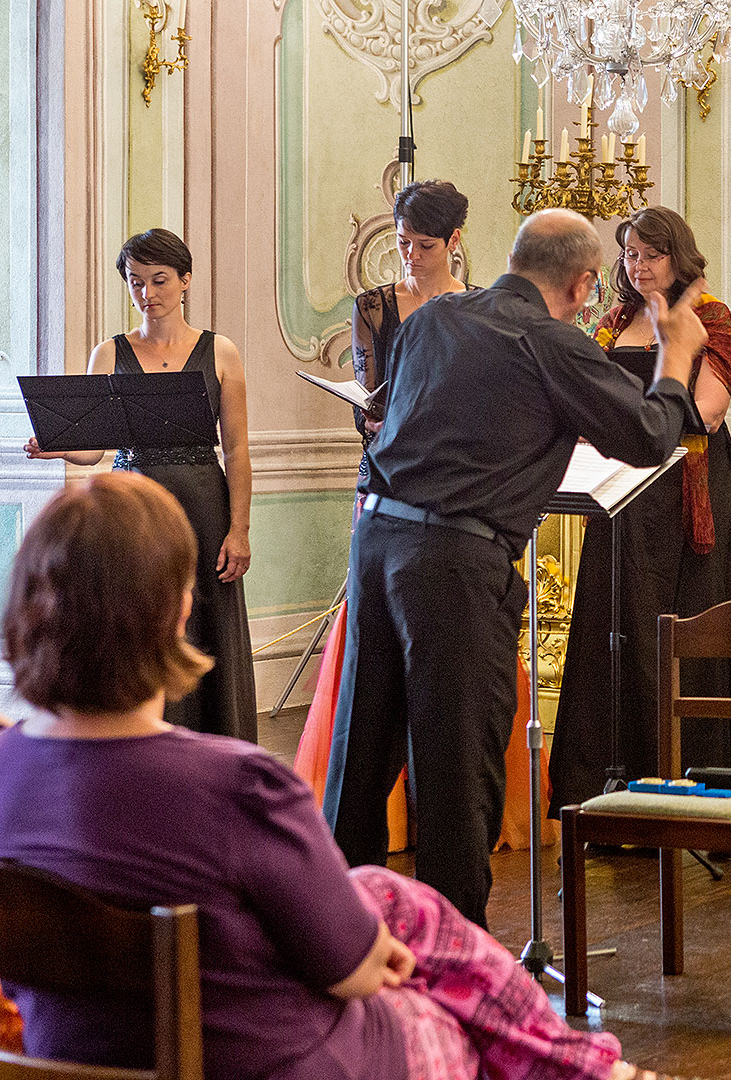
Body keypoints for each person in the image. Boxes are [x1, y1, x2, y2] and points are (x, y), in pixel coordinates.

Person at [0, 471, 678, 1080]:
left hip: (67, 1058)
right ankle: (588, 1066)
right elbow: (353, 971)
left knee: (378, 891)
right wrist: (382, 963)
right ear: (180, 612)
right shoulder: (238, 786)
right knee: (448, 1017)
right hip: (276, 1063)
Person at [323, 208, 703, 927]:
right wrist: (676, 358)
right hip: (455, 562)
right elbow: (651, 435)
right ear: (585, 282)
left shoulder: (434, 319)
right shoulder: (550, 342)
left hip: (375, 539)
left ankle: (341, 938)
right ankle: (453, 953)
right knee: (456, 761)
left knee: (361, 752)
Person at [549, 206, 731, 812]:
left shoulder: (711, 317)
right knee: (617, 627)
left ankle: (701, 782)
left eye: (651, 255)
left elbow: (706, 409)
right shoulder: (615, 319)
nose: (638, 266)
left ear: (678, 257)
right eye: (629, 255)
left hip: (688, 494)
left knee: (689, 630)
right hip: (620, 493)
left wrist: (632, 420)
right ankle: (610, 784)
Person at [24, 228, 256, 742]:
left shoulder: (223, 353)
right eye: (136, 282)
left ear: (185, 280)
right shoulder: (108, 352)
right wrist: (59, 444)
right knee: (139, 617)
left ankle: (215, 750)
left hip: (204, 507)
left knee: (207, 628)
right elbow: (95, 449)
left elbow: (237, 449)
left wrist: (239, 529)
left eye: (159, 280)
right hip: (133, 508)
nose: (148, 293)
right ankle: (138, 739)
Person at [294, 180, 472, 819]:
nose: (410, 256)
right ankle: (371, 805)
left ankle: (445, 800)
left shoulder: (475, 308)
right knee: (376, 636)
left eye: (424, 245)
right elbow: (369, 395)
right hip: (387, 476)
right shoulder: (374, 306)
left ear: (454, 242)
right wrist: (374, 416)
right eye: (402, 242)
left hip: (452, 483)